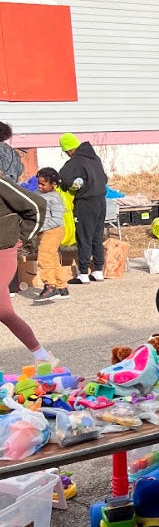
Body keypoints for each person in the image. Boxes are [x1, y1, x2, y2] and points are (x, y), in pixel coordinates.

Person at [0, 177, 56, 365]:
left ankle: (42, 356)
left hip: (3, 252)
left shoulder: (1, 184)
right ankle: (42, 356)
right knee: (4, 311)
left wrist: (22, 237)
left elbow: (37, 205)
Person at [58, 133, 108, 285]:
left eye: (66, 151)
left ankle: (84, 273)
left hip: (86, 203)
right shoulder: (95, 158)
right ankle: (98, 270)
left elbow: (63, 179)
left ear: (69, 149)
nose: (67, 154)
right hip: (101, 201)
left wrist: (74, 185)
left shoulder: (76, 161)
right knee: (97, 236)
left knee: (84, 237)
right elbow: (105, 179)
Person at [33, 168, 69, 302]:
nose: (39, 186)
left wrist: (39, 227)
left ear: (53, 184)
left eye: (43, 184)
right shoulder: (37, 194)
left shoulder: (55, 198)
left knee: (45, 256)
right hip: (43, 232)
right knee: (53, 258)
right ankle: (62, 287)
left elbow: (57, 220)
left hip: (54, 230)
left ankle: (50, 286)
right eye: (38, 183)